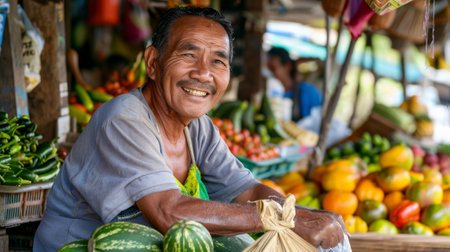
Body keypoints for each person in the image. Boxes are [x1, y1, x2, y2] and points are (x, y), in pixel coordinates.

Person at [33, 7, 347, 251]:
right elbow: (167, 212)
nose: (202, 73)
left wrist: (301, 212)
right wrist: (279, 219)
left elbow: (247, 191)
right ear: (153, 63)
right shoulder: (123, 120)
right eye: (188, 55)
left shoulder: (199, 128)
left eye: (217, 61)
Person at [267, 46, 323, 121]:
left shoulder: (309, 92)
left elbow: (319, 119)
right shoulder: (278, 95)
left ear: (287, 67)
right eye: (268, 69)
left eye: (273, 68)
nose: (270, 73)